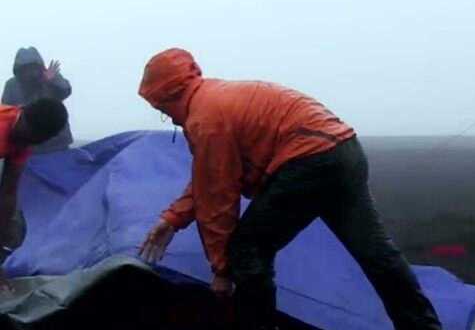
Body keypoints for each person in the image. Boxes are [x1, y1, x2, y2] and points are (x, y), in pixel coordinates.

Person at [138, 48, 442, 330]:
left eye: (162, 108)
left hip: (307, 161)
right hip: (343, 151)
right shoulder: (216, 98)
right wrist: (173, 219)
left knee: (247, 249)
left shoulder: (206, 119)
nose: (170, 118)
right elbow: (210, 177)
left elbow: (217, 197)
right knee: (375, 252)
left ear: (172, 93)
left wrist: (221, 270)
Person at [0, 98, 69, 291]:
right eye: (26, 137)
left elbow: (8, 192)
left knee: (13, 228)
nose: (24, 144)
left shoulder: (25, 140)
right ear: (22, 115)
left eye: (32, 141)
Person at [2, 47, 73, 153]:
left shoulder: (51, 76)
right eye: (26, 68)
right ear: (20, 69)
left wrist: (52, 81)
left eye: (34, 67)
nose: (31, 72)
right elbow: (6, 111)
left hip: (58, 142)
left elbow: (65, 91)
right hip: (30, 144)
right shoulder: (12, 85)